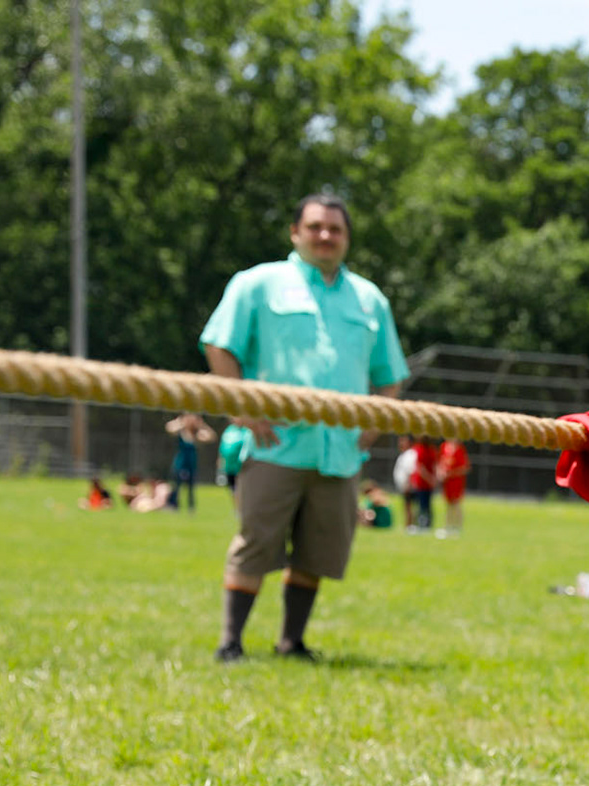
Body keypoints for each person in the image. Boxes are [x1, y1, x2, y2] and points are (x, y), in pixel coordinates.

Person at [201, 192, 408, 661]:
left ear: (347, 239)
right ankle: (230, 643)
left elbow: (390, 376)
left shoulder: (370, 299)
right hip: (276, 445)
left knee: (318, 550)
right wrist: (241, 410)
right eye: (315, 227)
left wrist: (372, 426)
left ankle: (291, 642)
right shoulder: (258, 283)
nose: (325, 236)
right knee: (255, 543)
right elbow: (219, 345)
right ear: (295, 233)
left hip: (339, 453)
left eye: (335, 229)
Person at [165, 413, 215, 512]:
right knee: (177, 486)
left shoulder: (196, 434)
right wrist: (180, 422)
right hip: (180, 464)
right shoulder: (181, 432)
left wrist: (201, 425)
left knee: (191, 488)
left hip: (191, 464)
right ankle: (173, 505)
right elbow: (169, 428)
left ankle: (191, 508)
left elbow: (211, 437)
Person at [436, 437, 470, 537]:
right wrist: (440, 472)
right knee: (448, 504)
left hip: (456, 481)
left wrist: (451, 473)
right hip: (447, 482)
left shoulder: (460, 449)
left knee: (456, 504)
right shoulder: (444, 446)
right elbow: (440, 462)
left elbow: (465, 468)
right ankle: (448, 526)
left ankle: (456, 527)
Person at [217, 422, 252, 504]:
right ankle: (237, 509)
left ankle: (241, 507)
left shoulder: (247, 430)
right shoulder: (229, 430)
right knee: (233, 489)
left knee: (241, 489)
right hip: (229, 466)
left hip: (241, 466)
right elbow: (222, 447)